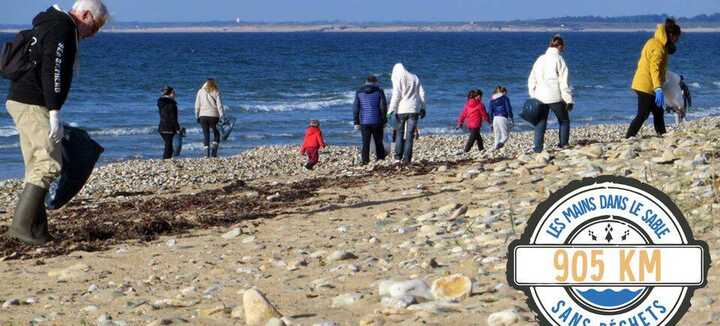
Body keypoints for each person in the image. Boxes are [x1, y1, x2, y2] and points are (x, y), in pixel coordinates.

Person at [3, 0, 109, 245]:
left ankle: (38, 231)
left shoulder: (48, 23)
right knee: (48, 163)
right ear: (85, 15)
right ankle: (21, 228)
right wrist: (54, 112)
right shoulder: (62, 29)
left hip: (19, 99)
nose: (93, 35)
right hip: (33, 102)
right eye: (95, 27)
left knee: (35, 165)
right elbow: (54, 70)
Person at [626, 19, 682, 138]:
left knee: (658, 112)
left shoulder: (657, 42)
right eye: (677, 38)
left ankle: (661, 135)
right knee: (643, 114)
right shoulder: (658, 47)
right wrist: (658, 88)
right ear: (671, 35)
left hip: (648, 84)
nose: (678, 41)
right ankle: (628, 137)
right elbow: (654, 69)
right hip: (645, 85)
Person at [528, 35, 574, 153]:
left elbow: (531, 79)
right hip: (554, 96)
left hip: (539, 96)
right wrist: (568, 100)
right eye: (563, 46)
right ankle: (563, 144)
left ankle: (538, 148)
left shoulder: (540, 59)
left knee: (540, 122)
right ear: (560, 46)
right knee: (564, 121)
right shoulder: (559, 59)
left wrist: (533, 94)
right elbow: (564, 82)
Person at [387, 63, 427, 164]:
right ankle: (407, 159)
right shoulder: (415, 77)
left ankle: (397, 158)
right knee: (409, 135)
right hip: (414, 110)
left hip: (401, 110)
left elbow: (396, 95)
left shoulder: (398, 78)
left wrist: (390, 110)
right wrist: (423, 107)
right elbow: (422, 93)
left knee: (399, 134)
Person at [353, 75, 388, 165]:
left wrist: (356, 122)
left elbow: (356, 108)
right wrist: (384, 120)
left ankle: (365, 160)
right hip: (377, 121)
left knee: (365, 142)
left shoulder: (359, 92)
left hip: (364, 121)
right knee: (378, 141)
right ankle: (380, 159)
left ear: (366, 82)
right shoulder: (379, 91)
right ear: (376, 82)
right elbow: (383, 107)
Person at [195, 78, 224, 157]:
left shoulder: (200, 91)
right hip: (214, 116)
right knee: (216, 134)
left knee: (206, 134)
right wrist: (222, 116)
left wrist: (196, 115)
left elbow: (197, 105)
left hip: (203, 116)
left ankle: (206, 154)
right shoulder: (216, 91)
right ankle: (214, 153)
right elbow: (219, 105)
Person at [157, 86, 180, 159]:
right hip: (169, 127)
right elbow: (172, 117)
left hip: (162, 126)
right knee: (168, 145)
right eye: (174, 93)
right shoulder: (171, 104)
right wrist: (177, 128)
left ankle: (167, 159)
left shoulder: (161, 102)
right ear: (171, 93)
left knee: (168, 144)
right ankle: (166, 160)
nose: (175, 95)